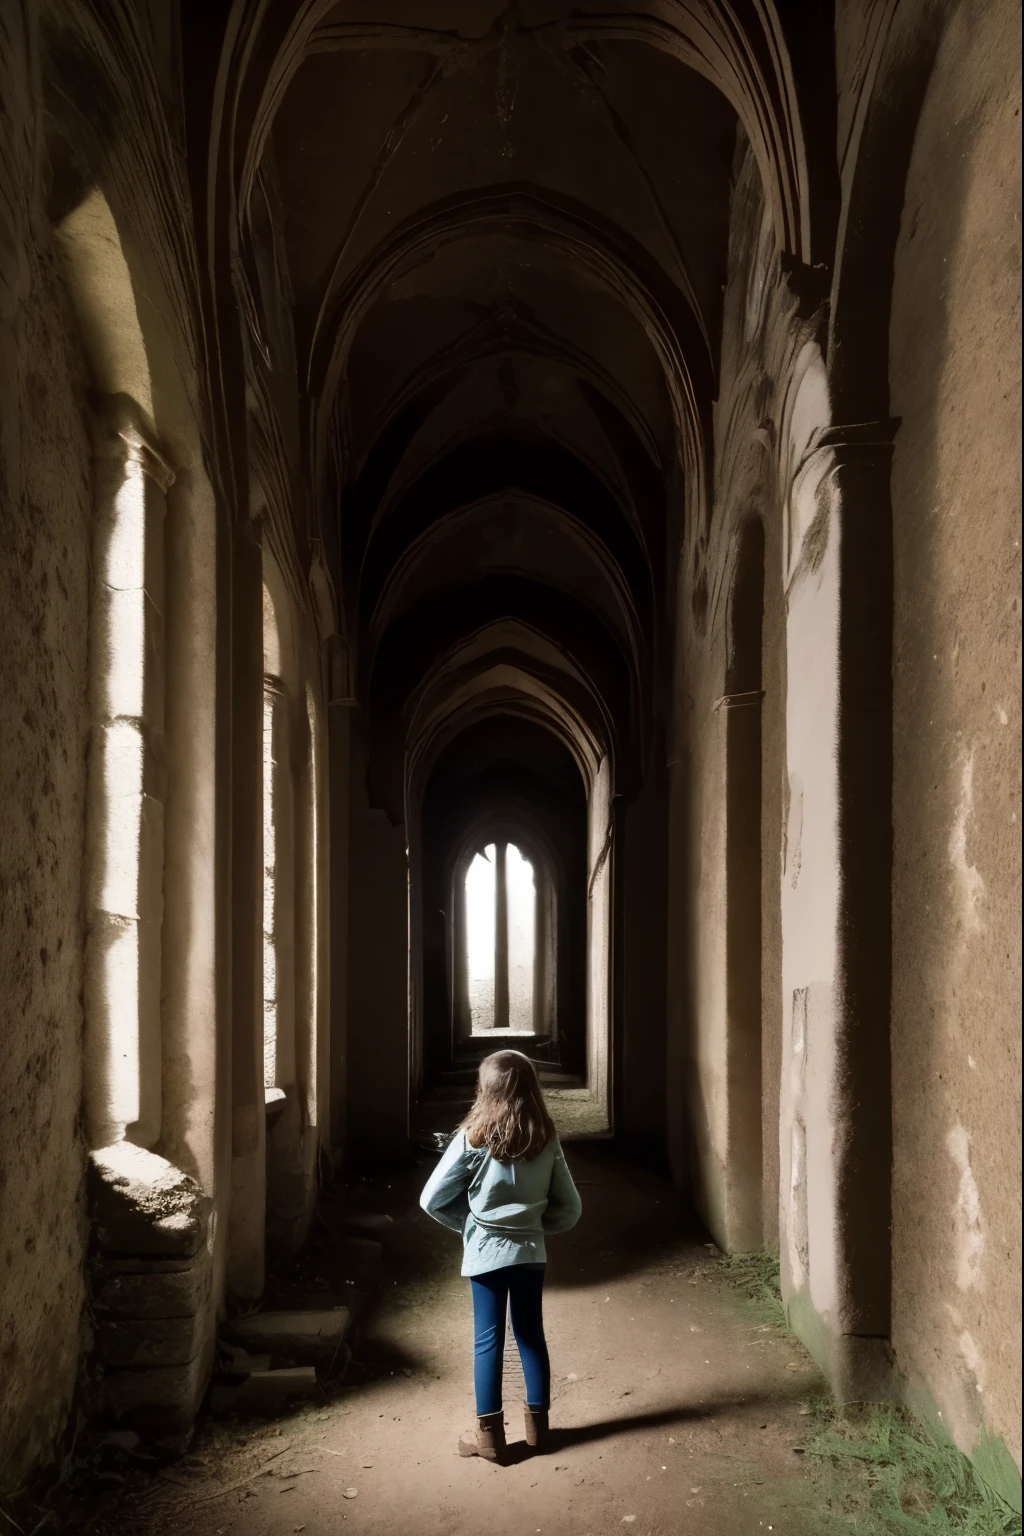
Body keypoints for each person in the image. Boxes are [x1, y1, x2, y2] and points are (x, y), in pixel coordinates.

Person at [419, 1049, 583, 1464]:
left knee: (487, 1340)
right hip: (530, 1252)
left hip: (485, 1253)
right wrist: (535, 1228)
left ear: (486, 1089)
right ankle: (538, 1431)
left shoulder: (472, 1138)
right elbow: (571, 1207)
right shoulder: (546, 1137)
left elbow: (431, 1199)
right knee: (530, 1335)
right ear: (533, 1088)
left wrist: (470, 1225)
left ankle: (489, 1439)